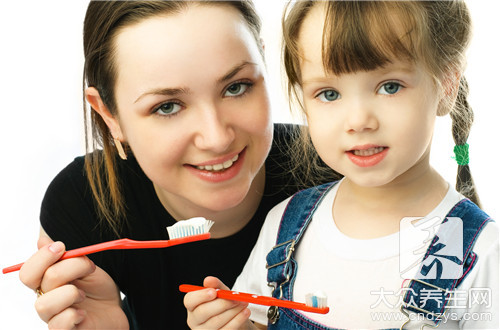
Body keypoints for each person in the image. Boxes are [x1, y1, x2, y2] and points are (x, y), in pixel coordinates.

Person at [17, 1, 335, 329]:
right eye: (167, 107)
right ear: (109, 116)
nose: (216, 138)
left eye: (236, 87)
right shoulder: (82, 207)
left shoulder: (343, 170)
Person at [184, 1, 499, 329]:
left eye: (389, 86)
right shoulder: (286, 227)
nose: (358, 120)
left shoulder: (473, 252)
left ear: (447, 84)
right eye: (329, 94)